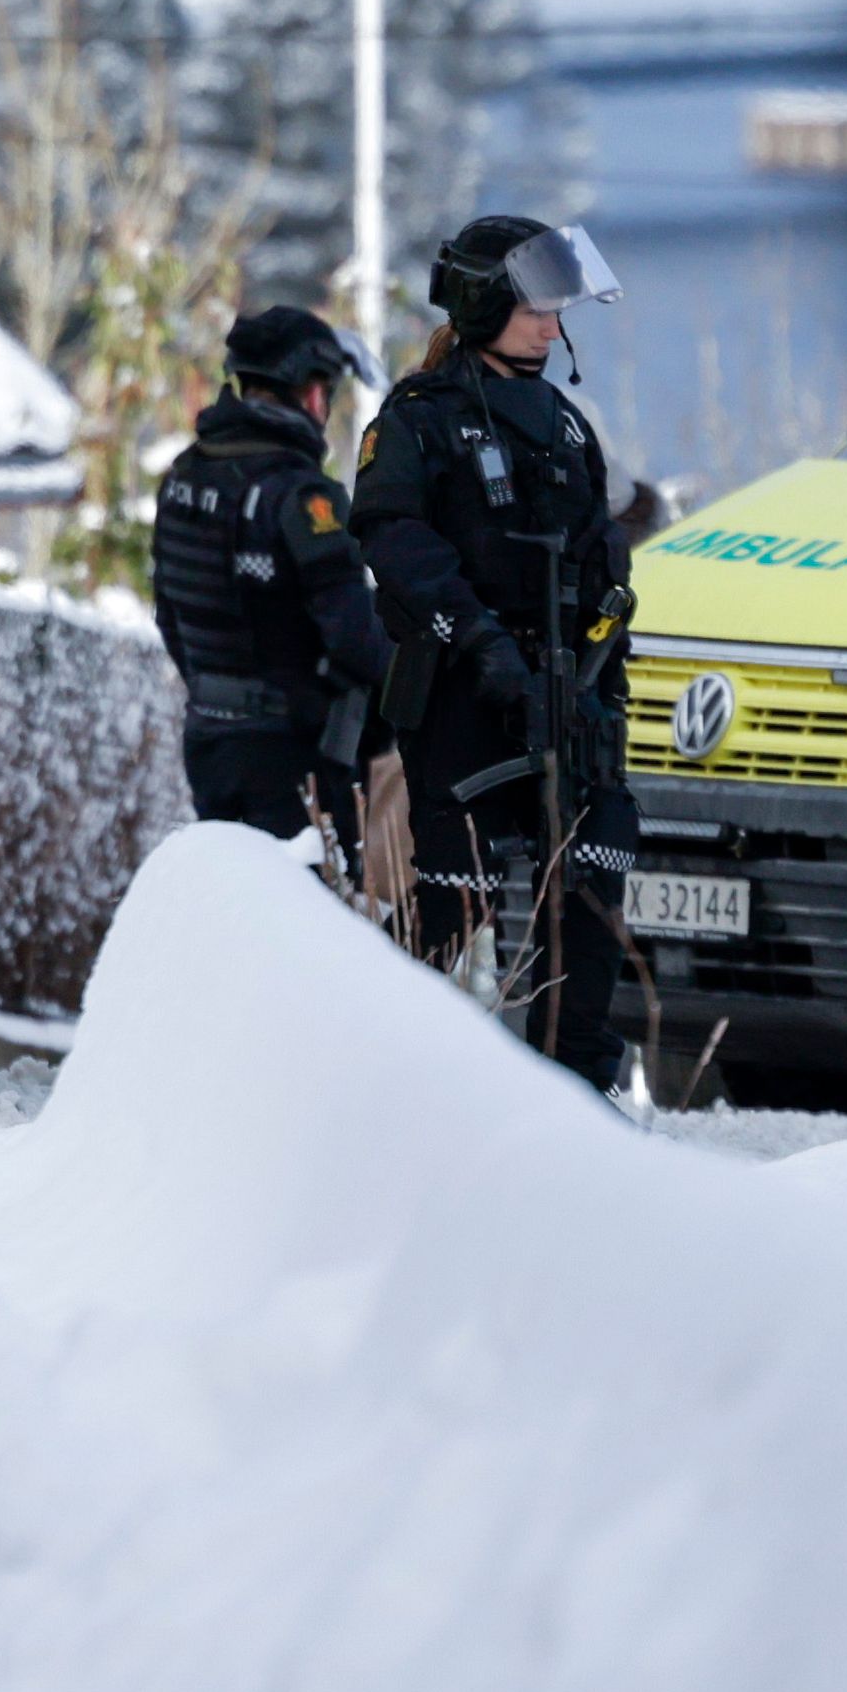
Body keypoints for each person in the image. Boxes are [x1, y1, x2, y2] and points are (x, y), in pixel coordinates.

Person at [344, 213, 645, 1069]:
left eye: (559, 309)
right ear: (482, 307)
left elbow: (602, 565)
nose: (553, 325)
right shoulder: (417, 421)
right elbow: (393, 542)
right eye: (536, 308)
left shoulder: (567, 425)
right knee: (447, 909)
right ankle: (403, 1080)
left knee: (594, 867)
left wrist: (598, 683)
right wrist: (482, 646)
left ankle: (578, 1080)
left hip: (564, 688)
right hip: (459, 695)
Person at [149, 304, 386, 846]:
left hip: (209, 739)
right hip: (291, 757)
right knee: (307, 914)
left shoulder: (184, 476)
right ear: (310, 394)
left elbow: (170, 613)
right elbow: (356, 644)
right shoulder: (305, 497)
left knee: (237, 906)